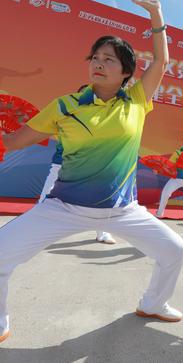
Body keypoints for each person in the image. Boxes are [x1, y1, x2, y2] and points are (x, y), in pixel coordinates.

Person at [0, 0, 183, 363]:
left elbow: (162, 62)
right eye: (95, 58)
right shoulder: (65, 106)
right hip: (64, 207)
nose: (99, 63)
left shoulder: (136, 100)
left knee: (175, 251)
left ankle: (154, 303)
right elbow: (10, 142)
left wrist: (157, 17)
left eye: (109, 59)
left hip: (122, 210)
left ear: (126, 73)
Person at [38, 84, 117, 245]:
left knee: (101, 199)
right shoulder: (65, 115)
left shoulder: (101, 120)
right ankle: (35, 229)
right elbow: (41, 130)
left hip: (92, 168)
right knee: (46, 197)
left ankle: (103, 233)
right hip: (62, 165)